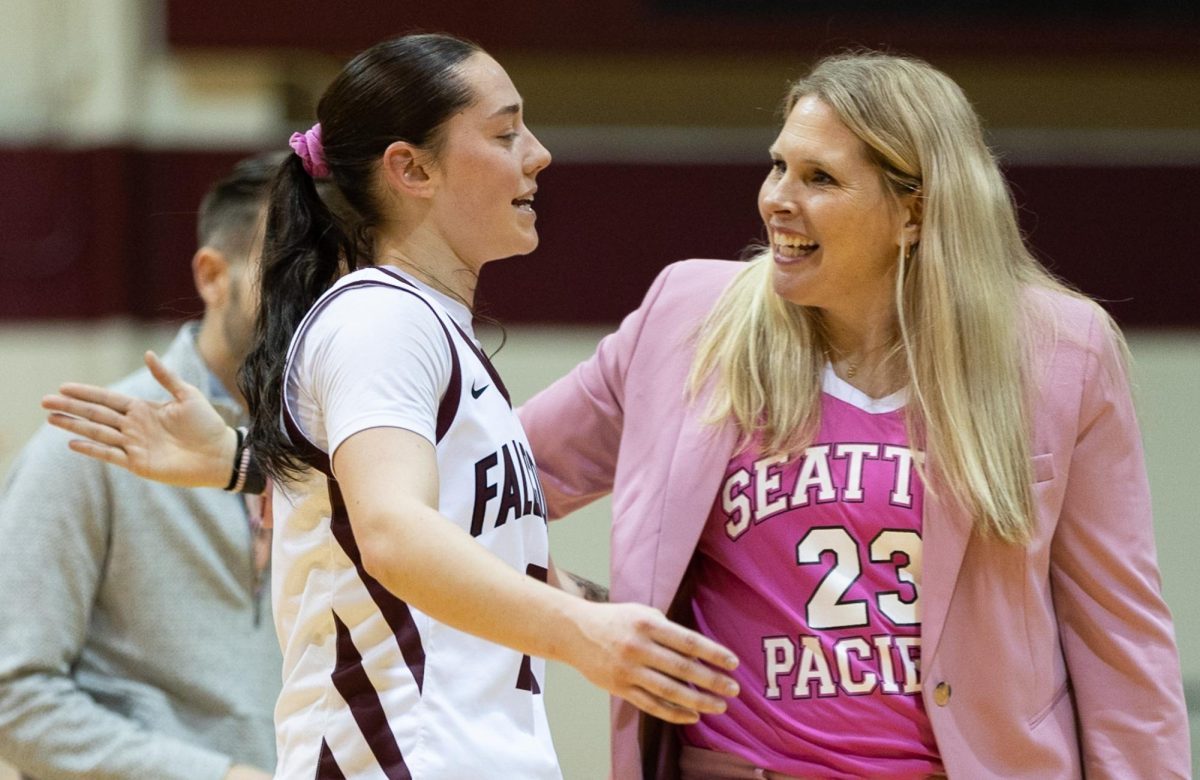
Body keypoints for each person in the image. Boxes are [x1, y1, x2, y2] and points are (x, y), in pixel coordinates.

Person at [43, 51, 1191, 779]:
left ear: (914, 211)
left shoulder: (1057, 351)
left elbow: (1120, 638)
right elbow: (484, 484)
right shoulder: (692, 316)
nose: (775, 201)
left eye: (819, 180)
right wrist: (258, 460)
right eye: (775, 164)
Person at [48, 32, 740, 780]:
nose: (537, 154)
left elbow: (477, 555)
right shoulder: (380, 319)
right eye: (505, 133)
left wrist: (646, 625)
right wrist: (584, 635)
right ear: (411, 168)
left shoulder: (426, 328)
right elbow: (391, 532)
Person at [0, 156, 283, 780]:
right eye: (291, 272)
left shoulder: (346, 459)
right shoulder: (86, 447)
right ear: (213, 276)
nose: (317, 302)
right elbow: (11, 697)